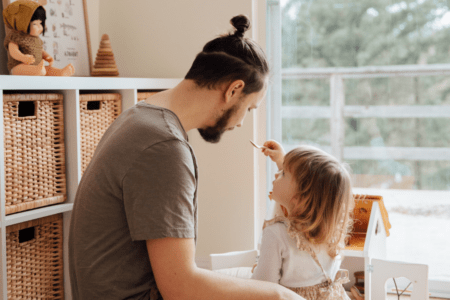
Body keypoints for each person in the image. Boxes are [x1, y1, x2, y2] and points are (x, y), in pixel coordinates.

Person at [68, 14, 304, 300]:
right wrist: (279, 295)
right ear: (234, 90)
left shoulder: (140, 117)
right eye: (250, 109)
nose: (242, 123)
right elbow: (180, 287)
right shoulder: (163, 147)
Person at [252, 140, 354, 300]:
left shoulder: (275, 234)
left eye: (283, 173)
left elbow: (262, 288)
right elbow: (296, 190)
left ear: (300, 198)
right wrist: (282, 161)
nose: (277, 174)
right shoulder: (330, 230)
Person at [2, 0, 75, 76]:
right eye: (35, 24)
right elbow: (13, 51)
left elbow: (40, 50)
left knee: (48, 69)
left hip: (36, 66)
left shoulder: (37, 40)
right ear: (22, 23)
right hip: (19, 66)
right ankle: (38, 71)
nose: (40, 27)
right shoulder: (15, 36)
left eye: (40, 23)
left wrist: (46, 56)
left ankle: (60, 72)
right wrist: (23, 57)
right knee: (26, 69)